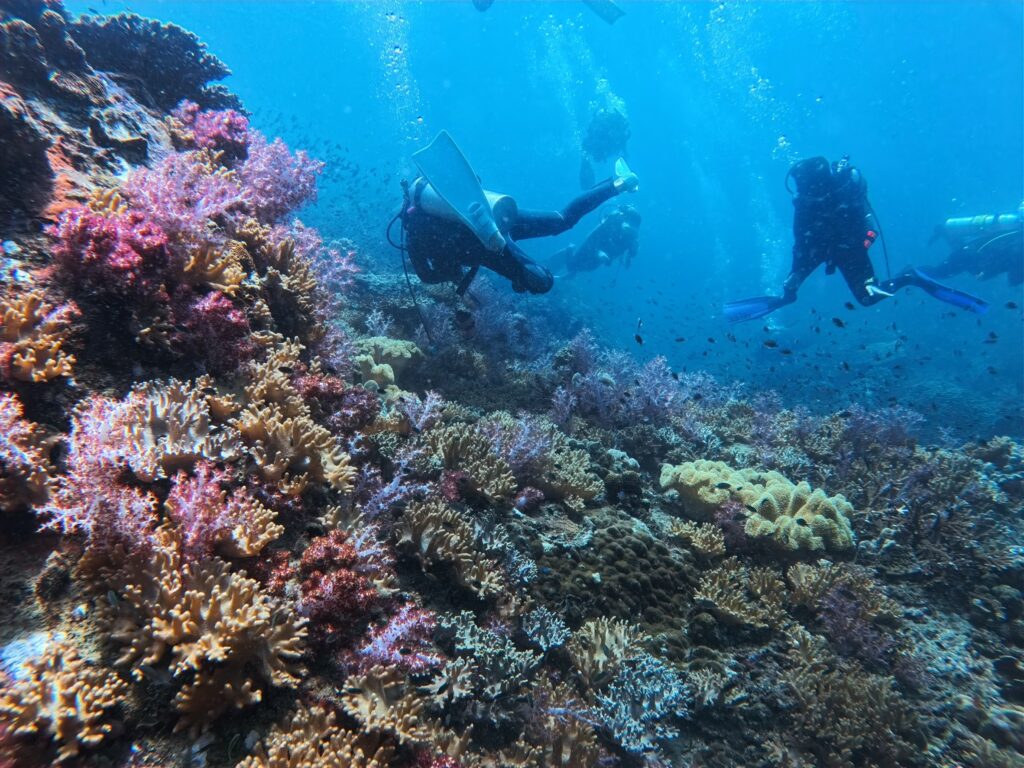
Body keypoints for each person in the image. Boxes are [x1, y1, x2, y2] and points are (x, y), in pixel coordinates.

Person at [724, 156, 988, 322]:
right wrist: (795, 275)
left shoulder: (843, 193)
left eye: (805, 186)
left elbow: (867, 225)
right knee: (790, 291)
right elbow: (801, 242)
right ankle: (786, 297)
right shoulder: (806, 203)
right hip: (819, 249)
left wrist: (862, 243)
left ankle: (910, 277)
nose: (804, 192)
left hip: (849, 249)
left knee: (868, 298)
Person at [401, 160, 639, 295]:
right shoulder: (444, 196)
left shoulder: (414, 233)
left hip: (486, 246)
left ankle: (532, 268)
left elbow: (427, 275)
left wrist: (453, 274)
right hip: (499, 215)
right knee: (562, 219)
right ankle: (618, 183)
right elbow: (473, 182)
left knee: (542, 282)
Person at [924, 205, 1023, 287]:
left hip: (975, 253)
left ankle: (945, 232)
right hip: (973, 257)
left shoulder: (1018, 238)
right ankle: (915, 274)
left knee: (959, 254)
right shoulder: (1020, 246)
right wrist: (988, 273)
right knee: (938, 272)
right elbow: (1013, 279)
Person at [556, 203, 641, 275]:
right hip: (595, 245)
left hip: (604, 253)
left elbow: (631, 253)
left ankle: (573, 270)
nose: (628, 227)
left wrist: (633, 251)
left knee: (588, 268)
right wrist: (598, 252)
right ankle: (570, 249)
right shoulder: (614, 220)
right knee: (572, 266)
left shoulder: (632, 236)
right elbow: (596, 236)